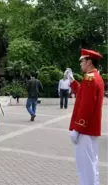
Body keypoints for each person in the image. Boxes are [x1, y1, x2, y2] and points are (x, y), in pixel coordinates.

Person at [67, 48, 104, 185]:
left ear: (89, 62)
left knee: (85, 167)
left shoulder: (90, 79)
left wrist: (78, 128)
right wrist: (72, 81)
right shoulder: (94, 77)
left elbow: (86, 106)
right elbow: (83, 94)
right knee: (91, 164)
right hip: (91, 129)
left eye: (82, 61)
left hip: (85, 130)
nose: (81, 64)